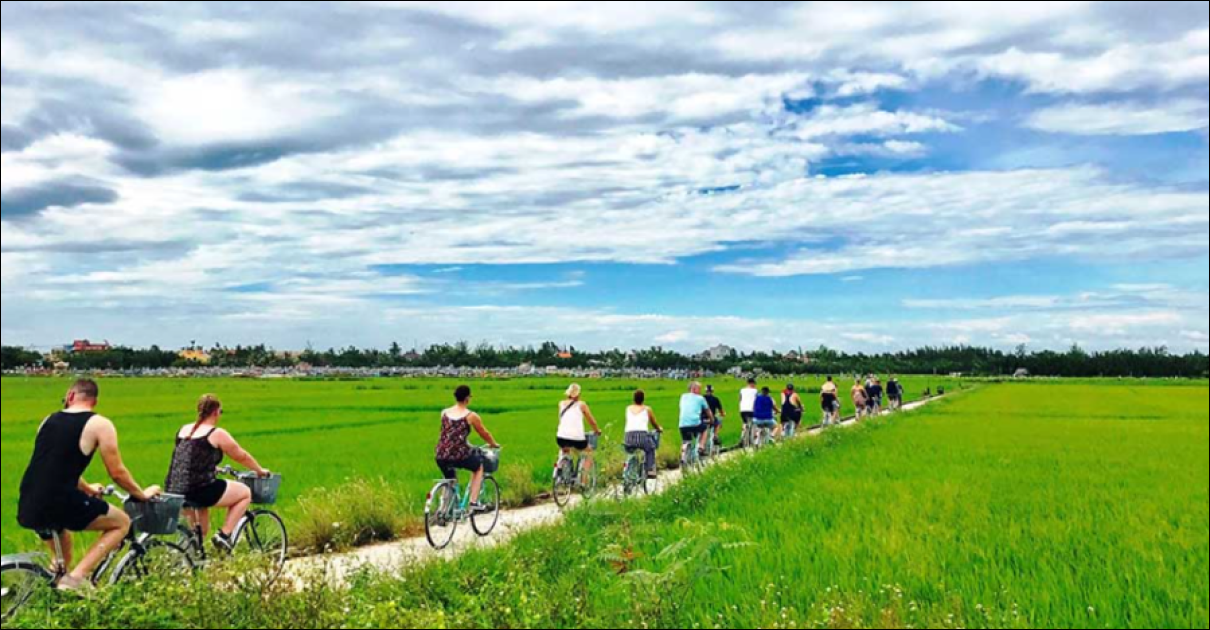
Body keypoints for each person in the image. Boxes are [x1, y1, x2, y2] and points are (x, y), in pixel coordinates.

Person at [16, 379, 162, 591]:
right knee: (122, 522)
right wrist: (142, 494)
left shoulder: (48, 420)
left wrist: (88, 489)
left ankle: (52, 594)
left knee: (62, 560)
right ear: (94, 400)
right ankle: (76, 579)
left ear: (71, 396)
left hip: (29, 499)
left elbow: (55, 466)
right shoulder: (100, 424)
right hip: (59, 501)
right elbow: (117, 472)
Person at [166, 395, 271, 551]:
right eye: (220, 411)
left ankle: (193, 562)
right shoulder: (216, 433)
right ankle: (224, 535)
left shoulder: (183, 429)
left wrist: (212, 468)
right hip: (199, 489)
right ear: (215, 412)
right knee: (244, 493)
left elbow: (189, 459)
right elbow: (240, 455)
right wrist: (260, 471)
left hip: (175, 488)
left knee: (200, 532)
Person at [435, 385, 501, 513]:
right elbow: (484, 433)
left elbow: (450, 436)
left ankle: (442, 511)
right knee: (478, 467)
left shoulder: (444, 413)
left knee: (449, 478)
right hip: (459, 454)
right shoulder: (471, 416)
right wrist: (493, 444)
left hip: (441, 454)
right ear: (467, 399)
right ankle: (473, 502)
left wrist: (467, 444)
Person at [557, 384, 602, 479]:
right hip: (577, 439)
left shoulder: (561, 403)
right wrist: (597, 431)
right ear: (578, 394)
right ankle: (583, 480)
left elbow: (562, 420)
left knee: (565, 450)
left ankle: (562, 473)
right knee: (589, 452)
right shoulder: (582, 405)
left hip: (561, 437)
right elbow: (592, 421)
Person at [625, 390, 665, 479]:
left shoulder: (628, 408)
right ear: (643, 399)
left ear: (633, 399)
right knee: (651, 448)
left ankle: (629, 471)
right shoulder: (647, 409)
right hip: (642, 436)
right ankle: (650, 469)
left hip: (628, 437)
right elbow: (654, 423)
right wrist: (659, 429)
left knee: (631, 451)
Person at [679, 382, 714, 458]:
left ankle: (683, 456)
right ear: (694, 389)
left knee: (685, 441)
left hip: (682, 424)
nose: (700, 391)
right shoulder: (701, 398)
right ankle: (701, 447)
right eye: (699, 389)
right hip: (695, 423)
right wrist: (712, 420)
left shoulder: (683, 396)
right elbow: (708, 411)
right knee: (704, 429)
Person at [738, 378, 758, 446]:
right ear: (752, 383)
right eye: (754, 384)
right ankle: (753, 438)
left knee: (744, 422)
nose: (755, 385)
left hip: (742, 409)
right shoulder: (755, 390)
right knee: (754, 423)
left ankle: (742, 436)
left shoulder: (742, 390)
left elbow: (740, 399)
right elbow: (756, 401)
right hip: (752, 410)